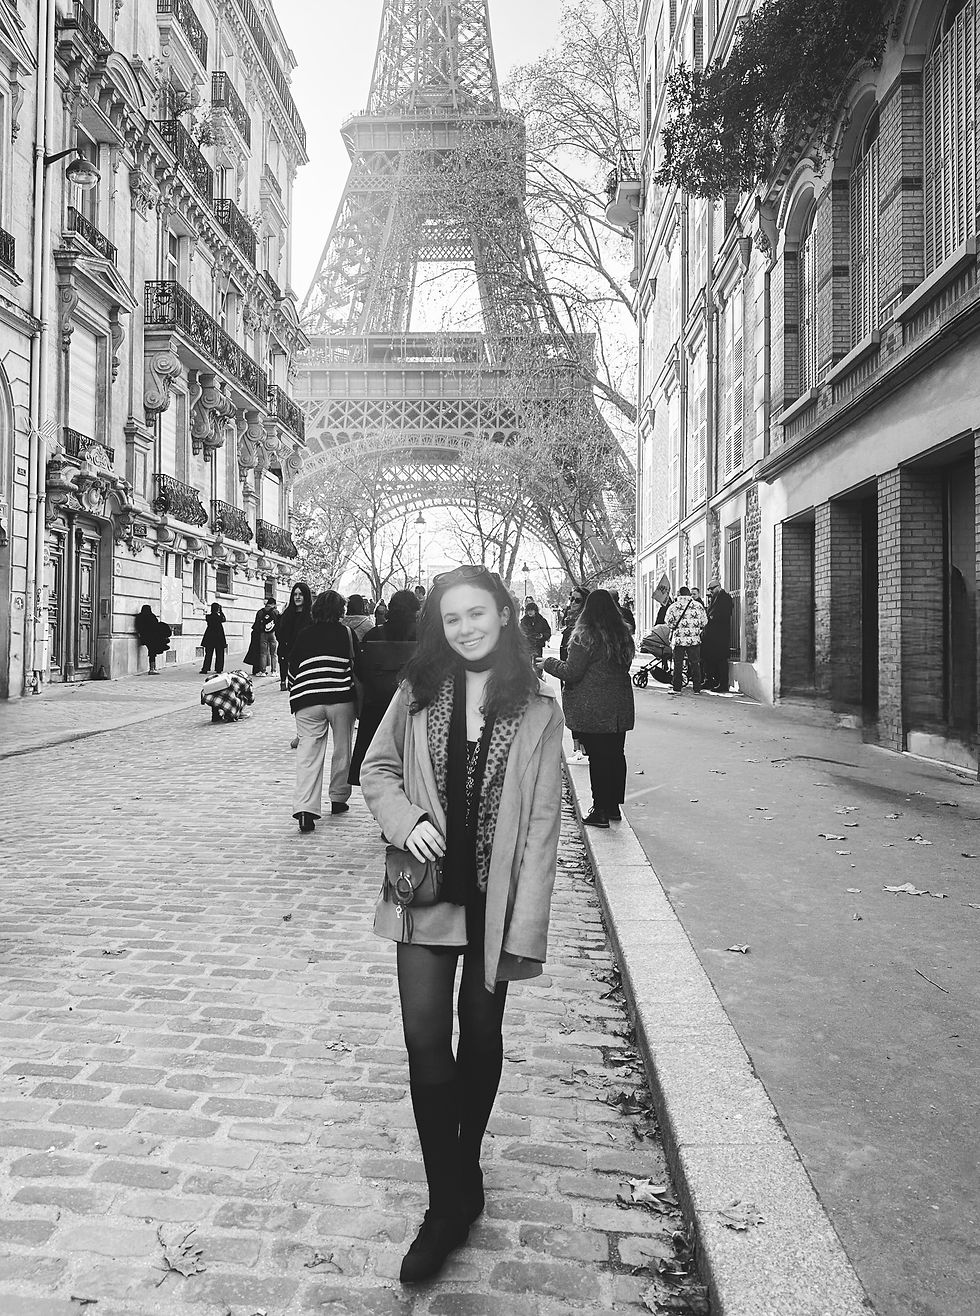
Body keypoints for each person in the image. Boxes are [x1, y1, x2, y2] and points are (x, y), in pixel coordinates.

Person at [360, 565, 564, 1284]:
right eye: (452, 618)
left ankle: (464, 1169)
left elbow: (542, 826)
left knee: (479, 1036)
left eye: (478, 613)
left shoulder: (540, 705)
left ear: (505, 615)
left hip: (495, 902)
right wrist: (405, 820)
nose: (466, 627)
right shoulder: (417, 692)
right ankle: (446, 1201)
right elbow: (376, 769)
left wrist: (525, 926)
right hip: (424, 896)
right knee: (425, 1042)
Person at [543, 588, 634, 828]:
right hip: (618, 707)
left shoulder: (585, 636)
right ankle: (613, 806)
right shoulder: (623, 635)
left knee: (599, 759)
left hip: (594, 707)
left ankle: (600, 809)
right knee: (616, 755)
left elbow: (572, 672)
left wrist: (548, 663)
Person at [288, 590, 361, 833]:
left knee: (308, 752)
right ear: (340, 611)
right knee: (342, 749)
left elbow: (292, 671)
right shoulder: (347, 634)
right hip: (341, 699)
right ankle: (339, 798)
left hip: (307, 700)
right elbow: (358, 667)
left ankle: (306, 810)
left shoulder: (304, 635)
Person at [349, 589, 421, 786]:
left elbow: (360, 670)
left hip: (377, 703)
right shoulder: (424, 635)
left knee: (377, 759)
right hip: (411, 705)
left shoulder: (374, 633)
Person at [558, 587, 589, 763]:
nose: (573, 603)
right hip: (567, 671)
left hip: (577, 673)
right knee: (570, 709)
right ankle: (577, 747)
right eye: (572, 599)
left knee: (579, 710)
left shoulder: (584, 624)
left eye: (577, 600)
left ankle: (582, 748)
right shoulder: (570, 620)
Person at [665, 586, 709, 695]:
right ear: (689, 594)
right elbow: (704, 622)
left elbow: (668, 622)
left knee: (678, 664)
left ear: (679, 594)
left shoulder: (673, 607)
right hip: (694, 640)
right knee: (695, 663)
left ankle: (677, 688)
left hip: (679, 640)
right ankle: (697, 688)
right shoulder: (698, 606)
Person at [276, 582, 314, 692]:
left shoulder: (311, 615)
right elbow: (279, 633)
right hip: (289, 656)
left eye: (301, 594)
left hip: (306, 658)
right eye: (295, 594)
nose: (297, 597)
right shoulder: (287, 614)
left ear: (306, 596)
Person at [702, 579, 735, 693]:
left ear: (718, 587)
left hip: (720, 635)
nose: (710, 591)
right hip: (711, 636)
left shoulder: (725, 598)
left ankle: (723, 684)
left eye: (711, 589)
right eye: (709, 589)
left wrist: (711, 617)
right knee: (709, 659)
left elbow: (722, 615)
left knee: (721, 660)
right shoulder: (714, 598)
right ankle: (709, 680)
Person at [245, 597, 279, 677]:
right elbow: (279, 623)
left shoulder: (260, 612)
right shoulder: (275, 611)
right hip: (272, 634)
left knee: (263, 653)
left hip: (263, 634)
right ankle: (274, 671)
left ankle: (262, 671)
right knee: (273, 654)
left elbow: (257, 624)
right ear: (273, 604)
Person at [135, 605, 171, 675]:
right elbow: (155, 625)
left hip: (145, 637)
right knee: (152, 652)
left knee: (152, 652)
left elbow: (139, 627)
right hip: (153, 637)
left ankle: (153, 668)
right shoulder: (151, 616)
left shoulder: (139, 617)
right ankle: (152, 669)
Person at [200, 603, 227, 675]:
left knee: (208, 654)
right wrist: (221, 612)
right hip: (219, 638)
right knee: (220, 654)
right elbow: (224, 619)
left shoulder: (208, 617)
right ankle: (219, 669)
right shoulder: (219, 617)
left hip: (210, 637)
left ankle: (205, 668)